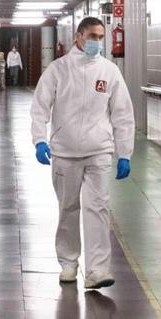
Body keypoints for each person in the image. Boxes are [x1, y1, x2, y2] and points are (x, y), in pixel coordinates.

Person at [30, 17, 135, 289]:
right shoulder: (58, 70)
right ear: (78, 37)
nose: (96, 42)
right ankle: (68, 262)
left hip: (99, 151)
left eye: (101, 37)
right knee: (68, 208)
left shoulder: (109, 71)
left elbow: (123, 114)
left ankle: (97, 270)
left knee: (98, 209)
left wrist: (124, 152)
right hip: (64, 152)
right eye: (92, 36)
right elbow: (40, 107)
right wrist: (40, 140)